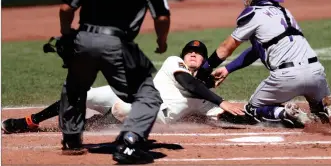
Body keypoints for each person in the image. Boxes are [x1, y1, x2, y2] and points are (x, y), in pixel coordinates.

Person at [56, 0, 170, 164]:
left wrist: (67, 33)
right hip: (117, 43)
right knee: (148, 96)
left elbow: (66, 8)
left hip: (84, 37)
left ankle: (71, 139)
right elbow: (161, 18)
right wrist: (161, 41)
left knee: (75, 85)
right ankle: (129, 141)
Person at [196, 0, 331, 129]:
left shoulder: (254, 13)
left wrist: (204, 69)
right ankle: (329, 105)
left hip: (287, 76)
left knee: (253, 110)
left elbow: (226, 47)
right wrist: (227, 69)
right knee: (318, 115)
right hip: (316, 72)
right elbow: (257, 50)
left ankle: (286, 113)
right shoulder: (284, 12)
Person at [2, 40, 244, 134]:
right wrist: (220, 99)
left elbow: (223, 116)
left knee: (123, 109)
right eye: (190, 51)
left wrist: (264, 117)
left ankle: (92, 124)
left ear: (204, 62)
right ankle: (31, 120)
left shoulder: (205, 99)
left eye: (199, 54)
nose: (193, 54)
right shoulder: (174, 63)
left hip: (145, 111)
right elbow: (187, 82)